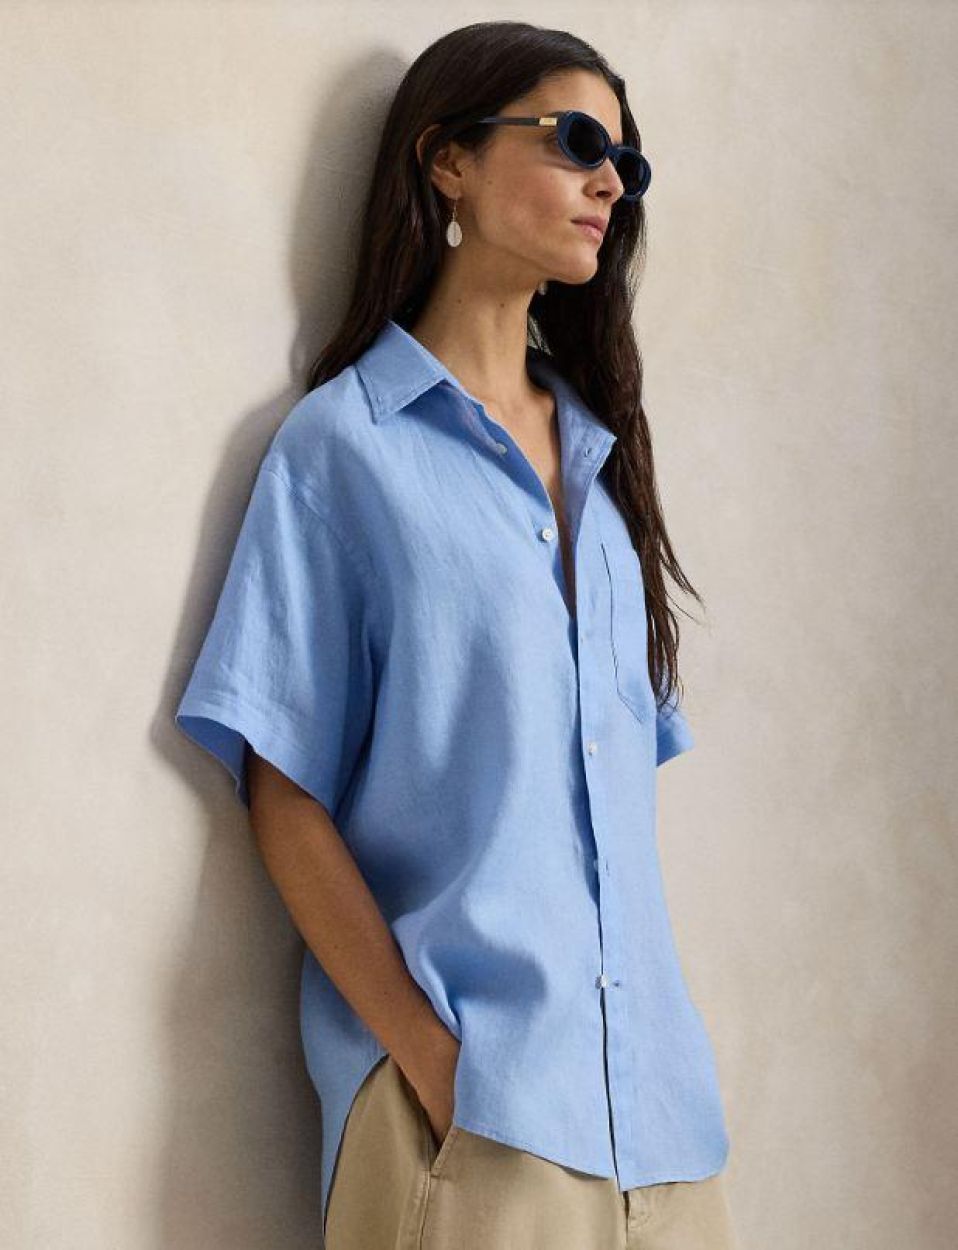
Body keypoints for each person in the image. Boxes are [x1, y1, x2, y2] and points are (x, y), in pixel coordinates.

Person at [174, 20, 740, 1250]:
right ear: (448, 161)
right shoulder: (345, 449)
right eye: (576, 140)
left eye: (626, 162)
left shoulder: (604, 465)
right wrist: (435, 1066)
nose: (609, 182)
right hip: (476, 1127)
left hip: (664, 1134)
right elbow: (282, 788)